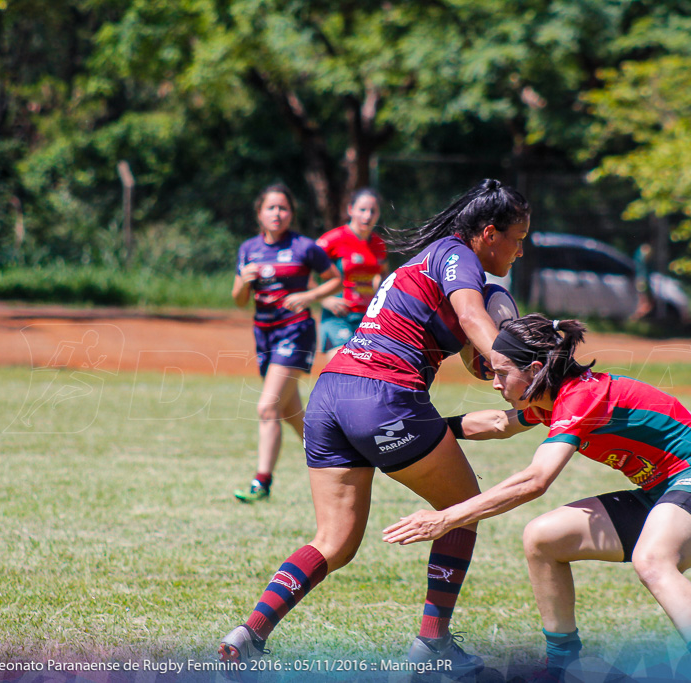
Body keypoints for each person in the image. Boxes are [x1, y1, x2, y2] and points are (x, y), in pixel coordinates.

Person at [218, 179, 531, 676]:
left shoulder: (433, 260)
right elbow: (473, 318)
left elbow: (470, 343)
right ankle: (432, 644)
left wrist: (491, 363)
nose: (521, 249)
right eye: (518, 237)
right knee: (463, 508)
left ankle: (249, 633)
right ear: (488, 233)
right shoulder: (458, 256)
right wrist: (520, 370)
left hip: (332, 394)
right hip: (383, 394)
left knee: (335, 541)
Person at [382, 314, 691, 681]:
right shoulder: (551, 397)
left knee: (652, 560)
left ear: (536, 368)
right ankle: (563, 665)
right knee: (543, 538)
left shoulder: (580, 396)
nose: (495, 383)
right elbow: (498, 423)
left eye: (501, 372)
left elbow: (536, 480)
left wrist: (446, 518)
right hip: (660, 492)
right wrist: (420, 433)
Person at [231, 184, 342, 503]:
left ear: (291, 214)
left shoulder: (304, 247)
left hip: (296, 331)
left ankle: (261, 482)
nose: (277, 213)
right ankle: (339, 457)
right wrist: (245, 281)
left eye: (283, 208)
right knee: (292, 411)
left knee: (268, 407)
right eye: (271, 208)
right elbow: (239, 300)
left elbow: (334, 278)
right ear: (259, 213)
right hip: (263, 333)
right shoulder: (248, 248)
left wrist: (309, 296)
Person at [315, 188, 390, 356]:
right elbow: (303, 269)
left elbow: (385, 275)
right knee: (344, 365)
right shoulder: (333, 239)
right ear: (351, 210)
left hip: (366, 318)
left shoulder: (379, 244)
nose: (367, 215)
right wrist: (324, 299)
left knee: (368, 372)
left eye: (373, 211)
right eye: (362, 210)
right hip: (338, 316)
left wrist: (379, 297)